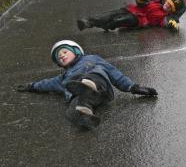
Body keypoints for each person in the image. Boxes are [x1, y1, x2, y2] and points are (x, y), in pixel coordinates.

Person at [16, 40, 158, 129]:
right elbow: (46, 84)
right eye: (59, 58)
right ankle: (84, 114)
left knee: (88, 77)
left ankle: (89, 85)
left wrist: (133, 87)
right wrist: (31, 86)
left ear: (76, 51)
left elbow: (114, 73)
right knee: (76, 101)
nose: (62, 56)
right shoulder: (63, 77)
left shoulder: (92, 59)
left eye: (65, 52)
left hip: (100, 85)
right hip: (84, 94)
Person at [77, 0, 186, 32]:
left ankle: (106, 25)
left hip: (139, 20)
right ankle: (88, 22)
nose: (167, 6)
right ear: (166, 0)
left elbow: (169, 23)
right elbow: (141, 0)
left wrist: (172, 24)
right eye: (168, 3)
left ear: (172, 10)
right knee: (110, 14)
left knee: (119, 20)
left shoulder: (167, 16)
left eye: (170, 7)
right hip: (131, 9)